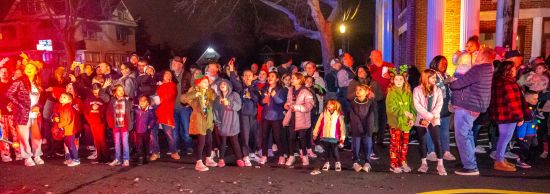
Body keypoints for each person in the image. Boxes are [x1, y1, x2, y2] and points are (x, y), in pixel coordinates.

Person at [450, 47, 495, 176]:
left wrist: (452, 83)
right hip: (475, 106)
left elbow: (459, 84)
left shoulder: (478, 69)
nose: (475, 55)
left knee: (462, 136)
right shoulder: (489, 68)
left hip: (467, 106)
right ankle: (468, 161)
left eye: (478, 53)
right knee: (467, 134)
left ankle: (470, 166)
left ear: (483, 57)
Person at [489, 61, 527, 172]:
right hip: (508, 115)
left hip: (501, 114)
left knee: (503, 138)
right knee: (505, 138)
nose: (516, 70)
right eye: (514, 69)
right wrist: (519, 117)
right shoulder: (508, 83)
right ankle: (499, 161)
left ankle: (500, 159)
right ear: (508, 70)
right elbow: (513, 102)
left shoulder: (498, 81)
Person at [6, 56, 44, 167]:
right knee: (24, 136)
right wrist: (21, 106)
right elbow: (9, 94)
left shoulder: (37, 83)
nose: (29, 69)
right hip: (22, 114)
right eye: (27, 67)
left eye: (31, 67)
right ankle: (27, 157)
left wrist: (38, 106)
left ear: (36, 71)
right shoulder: (19, 81)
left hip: (35, 114)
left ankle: (37, 155)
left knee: (36, 136)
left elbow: (40, 99)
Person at [413, 69, 447, 176]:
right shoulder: (417, 90)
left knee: (437, 140)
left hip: (434, 118)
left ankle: (440, 164)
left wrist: (430, 117)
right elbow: (417, 105)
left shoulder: (438, 90)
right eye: (432, 77)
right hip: (421, 118)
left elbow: (439, 105)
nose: (435, 79)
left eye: (435, 77)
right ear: (426, 77)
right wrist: (427, 117)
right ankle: (424, 163)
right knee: (422, 141)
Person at [181, 75, 217, 171]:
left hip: (208, 119)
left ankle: (208, 158)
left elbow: (214, 99)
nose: (207, 84)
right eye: (204, 82)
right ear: (199, 83)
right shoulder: (194, 92)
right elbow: (183, 99)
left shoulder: (210, 92)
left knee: (209, 140)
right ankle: (199, 162)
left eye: (207, 82)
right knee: (201, 141)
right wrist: (195, 94)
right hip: (198, 119)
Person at [426, 56, 456, 161]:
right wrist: (444, 82)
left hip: (445, 107)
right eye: (442, 62)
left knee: (444, 131)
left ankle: (446, 151)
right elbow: (428, 86)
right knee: (432, 130)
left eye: (445, 63)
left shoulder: (446, 75)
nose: (444, 65)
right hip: (433, 107)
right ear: (435, 62)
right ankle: (431, 151)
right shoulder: (430, 73)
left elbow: (450, 91)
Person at [386, 67, 415, 173]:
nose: (398, 82)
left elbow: (413, 107)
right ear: (393, 80)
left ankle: (402, 161)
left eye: (401, 79)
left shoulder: (408, 92)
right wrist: (403, 112)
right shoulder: (391, 93)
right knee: (395, 144)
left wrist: (413, 118)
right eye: (396, 79)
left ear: (405, 80)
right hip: (395, 123)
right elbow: (391, 108)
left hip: (406, 123)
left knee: (404, 145)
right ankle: (394, 163)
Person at [283, 73, 315, 166]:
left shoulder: (306, 92)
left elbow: (309, 106)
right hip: (292, 118)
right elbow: (289, 101)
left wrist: (296, 107)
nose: (291, 80)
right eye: (291, 78)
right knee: (291, 138)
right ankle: (291, 156)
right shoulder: (290, 90)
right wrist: (287, 105)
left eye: (293, 78)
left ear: (299, 80)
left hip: (302, 119)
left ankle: (305, 156)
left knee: (302, 139)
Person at [213, 79, 245, 167]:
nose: (222, 85)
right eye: (221, 84)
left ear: (229, 86)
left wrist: (229, 103)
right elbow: (215, 111)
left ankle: (239, 158)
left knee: (235, 141)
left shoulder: (234, 95)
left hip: (232, 122)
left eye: (224, 84)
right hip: (222, 123)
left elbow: (238, 106)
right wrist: (218, 123)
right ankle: (221, 159)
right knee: (222, 142)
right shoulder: (217, 98)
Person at [258, 72, 287, 165]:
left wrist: (274, 96)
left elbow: (282, 103)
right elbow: (261, 102)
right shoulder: (264, 88)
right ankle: (264, 155)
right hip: (266, 115)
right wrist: (263, 100)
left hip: (276, 116)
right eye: (269, 76)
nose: (269, 78)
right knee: (264, 136)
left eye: (272, 76)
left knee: (277, 137)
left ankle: (281, 156)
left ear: (277, 79)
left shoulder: (281, 89)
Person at [311, 100, 346, 174]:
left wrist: (342, 138)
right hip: (325, 136)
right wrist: (315, 133)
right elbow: (318, 124)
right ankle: (327, 162)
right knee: (326, 151)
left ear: (335, 106)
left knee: (335, 151)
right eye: (328, 104)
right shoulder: (323, 114)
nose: (329, 105)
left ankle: (337, 162)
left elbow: (342, 128)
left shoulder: (339, 115)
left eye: (331, 104)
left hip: (334, 137)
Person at [102, 84, 134, 167]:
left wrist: (131, 123)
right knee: (117, 143)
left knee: (125, 143)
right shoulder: (111, 100)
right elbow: (101, 94)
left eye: (122, 90)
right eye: (119, 90)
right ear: (115, 92)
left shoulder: (128, 100)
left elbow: (131, 112)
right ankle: (117, 159)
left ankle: (126, 159)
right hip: (115, 125)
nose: (121, 91)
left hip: (125, 126)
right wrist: (104, 86)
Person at [151, 70, 180, 161]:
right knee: (153, 134)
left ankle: (174, 151)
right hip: (154, 112)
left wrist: (155, 100)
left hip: (166, 112)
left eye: (170, 74)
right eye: (166, 74)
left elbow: (169, 97)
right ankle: (155, 152)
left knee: (169, 134)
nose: (168, 76)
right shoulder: (157, 85)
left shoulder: (172, 85)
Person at [368, 50, 394, 146]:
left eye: (372, 56)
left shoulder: (389, 66)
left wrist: (390, 77)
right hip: (374, 96)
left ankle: (380, 140)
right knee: (374, 116)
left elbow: (398, 79)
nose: (371, 57)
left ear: (378, 56)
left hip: (387, 95)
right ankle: (372, 137)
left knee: (383, 117)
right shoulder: (370, 68)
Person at [349, 84, 377, 172]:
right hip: (356, 126)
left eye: (360, 89)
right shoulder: (353, 102)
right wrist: (358, 125)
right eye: (357, 89)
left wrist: (369, 127)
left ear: (367, 92)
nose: (358, 91)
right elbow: (353, 115)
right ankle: (355, 162)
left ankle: (367, 162)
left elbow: (372, 115)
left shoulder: (370, 102)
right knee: (356, 143)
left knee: (368, 143)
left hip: (367, 125)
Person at [171, 56, 194, 155]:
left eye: (175, 63)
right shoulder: (170, 75)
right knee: (174, 130)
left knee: (186, 128)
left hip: (184, 107)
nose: (173, 65)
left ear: (180, 65)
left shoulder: (188, 75)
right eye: (172, 63)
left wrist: (190, 102)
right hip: (172, 107)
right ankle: (175, 148)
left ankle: (188, 146)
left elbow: (193, 89)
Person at [237, 70, 260, 166]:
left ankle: (251, 153)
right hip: (243, 114)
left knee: (253, 135)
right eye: (245, 75)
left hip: (253, 114)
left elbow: (256, 99)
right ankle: (245, 155)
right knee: (245, 136)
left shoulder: (255, 87)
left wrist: (250, 87)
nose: (247, 77)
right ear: (242, 77)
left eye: (249, 75)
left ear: (253, 77)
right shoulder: (240, 86)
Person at [84, 83, 109, 163]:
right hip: (92, 122)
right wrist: (89, 120)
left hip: (101, 122)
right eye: (94, 92)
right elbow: (85, 111)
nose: (96, 94)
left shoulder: (103, 98)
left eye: (98, 92)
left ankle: (105, 157)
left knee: (102, 139)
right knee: (96, 140)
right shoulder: (89, 99)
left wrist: (103, 119)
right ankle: (99, 157)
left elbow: (106, 110)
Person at [55, 93, 80, 167]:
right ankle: (72, 159)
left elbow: (67, 120)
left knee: (71, 145)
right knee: (68, 144)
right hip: (66, 129)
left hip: (69, 129)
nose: (61, 98)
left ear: (69, 100)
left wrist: (60, 124)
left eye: (64, 97)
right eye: (61, 96)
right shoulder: (63, 107)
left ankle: (76, 159)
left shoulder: (67, 108)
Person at [515, 90, 539, 169]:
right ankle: (521, 160)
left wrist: (536, 125)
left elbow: (534, 119)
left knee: (534, 144)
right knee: (525, 147)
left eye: (537, 98)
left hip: (532, 132)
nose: (537, 100)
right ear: (528, 99)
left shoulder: (533, 108)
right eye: (534, 99)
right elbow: (523, 124)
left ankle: (526, 158)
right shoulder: (525, 110)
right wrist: (521, 134)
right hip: (526, 134)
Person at [0, 65, 19, 162]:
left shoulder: (13, 84)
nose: (4, 73)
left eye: (5, 71)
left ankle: (18, 152)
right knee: (3, 135)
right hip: (0, 114)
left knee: (16, 134)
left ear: (9, 73)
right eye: (2, 71)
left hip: (12, 114)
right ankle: (5, 154)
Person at [134, 95, 156, 165]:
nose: (142, 103)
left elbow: (153, 119)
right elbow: (133, 117)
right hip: (138, 130)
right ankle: (141, 157)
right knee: (139, 144)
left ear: (147, 102)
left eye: (144, 101)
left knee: (146, 143)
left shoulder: (150, 111)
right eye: (140, 101)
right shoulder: (136, 110)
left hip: (146, 130)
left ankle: (146, 156)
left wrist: (150, 125)